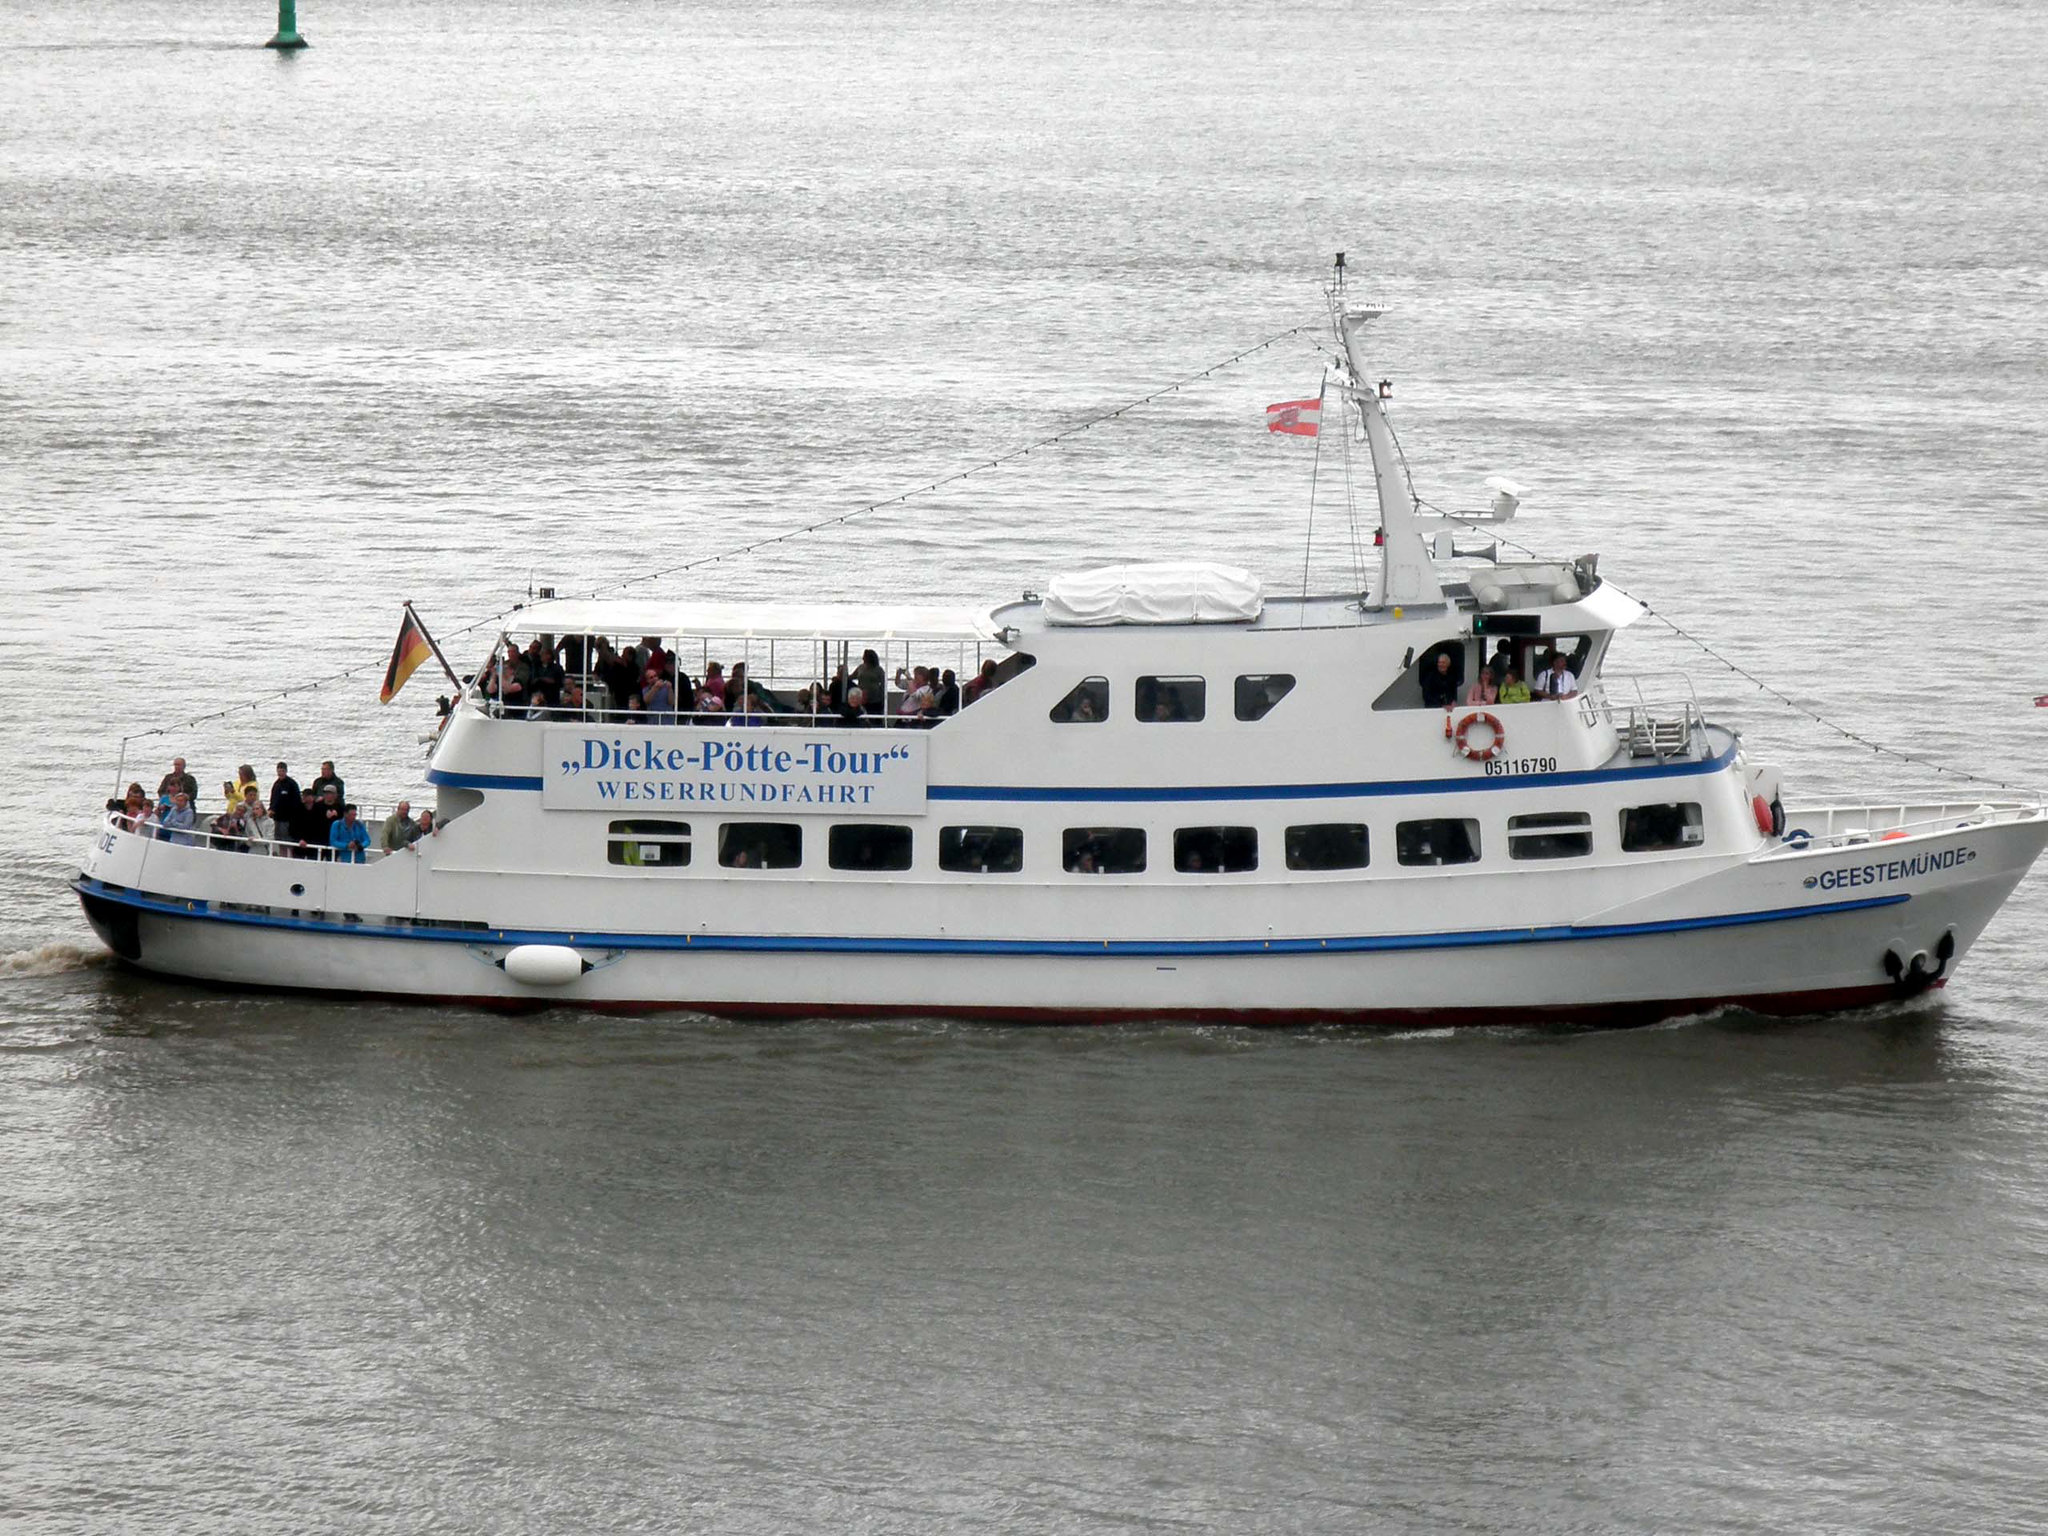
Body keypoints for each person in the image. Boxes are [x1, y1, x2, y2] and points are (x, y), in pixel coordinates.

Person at [269, 764, 304, 852]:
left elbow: (297, 801)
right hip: (277, 818)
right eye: (279, 771)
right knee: (280, 841)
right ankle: (282, 856)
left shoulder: (292, 784)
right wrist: (271, 809)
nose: (280, 773)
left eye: (282, 771)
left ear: (286, 771)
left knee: (288, 841)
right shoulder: (276, 784)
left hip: (288, 819)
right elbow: (273, 800)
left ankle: (290, 857)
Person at [853, 649, 886, 716]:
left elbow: (883, 684)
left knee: (875, 716)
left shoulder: (878, 669)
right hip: (862, 697)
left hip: (875, 698)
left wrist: (882, 698)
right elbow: (852, 676)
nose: (862, 658)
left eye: (864, 657)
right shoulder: (861, 667)